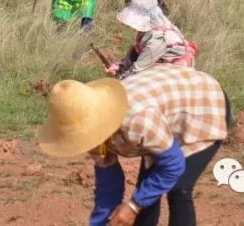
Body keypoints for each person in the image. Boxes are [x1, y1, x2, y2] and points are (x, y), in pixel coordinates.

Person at [37, 65, 229, 226]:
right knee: (146, 190)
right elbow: (108, 185)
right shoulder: (87, 131)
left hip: (202, 105)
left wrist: (133, 206)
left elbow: (173, 166)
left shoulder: (138, 120)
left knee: (178, 188)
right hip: (163, 111)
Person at [107, 0, 196, 79]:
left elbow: (137, 70)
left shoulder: (158, 39)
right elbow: (138, 51)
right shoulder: (150, 28)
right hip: (158, 60)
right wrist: (121, 67)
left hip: (175, 72)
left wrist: (121, 79)